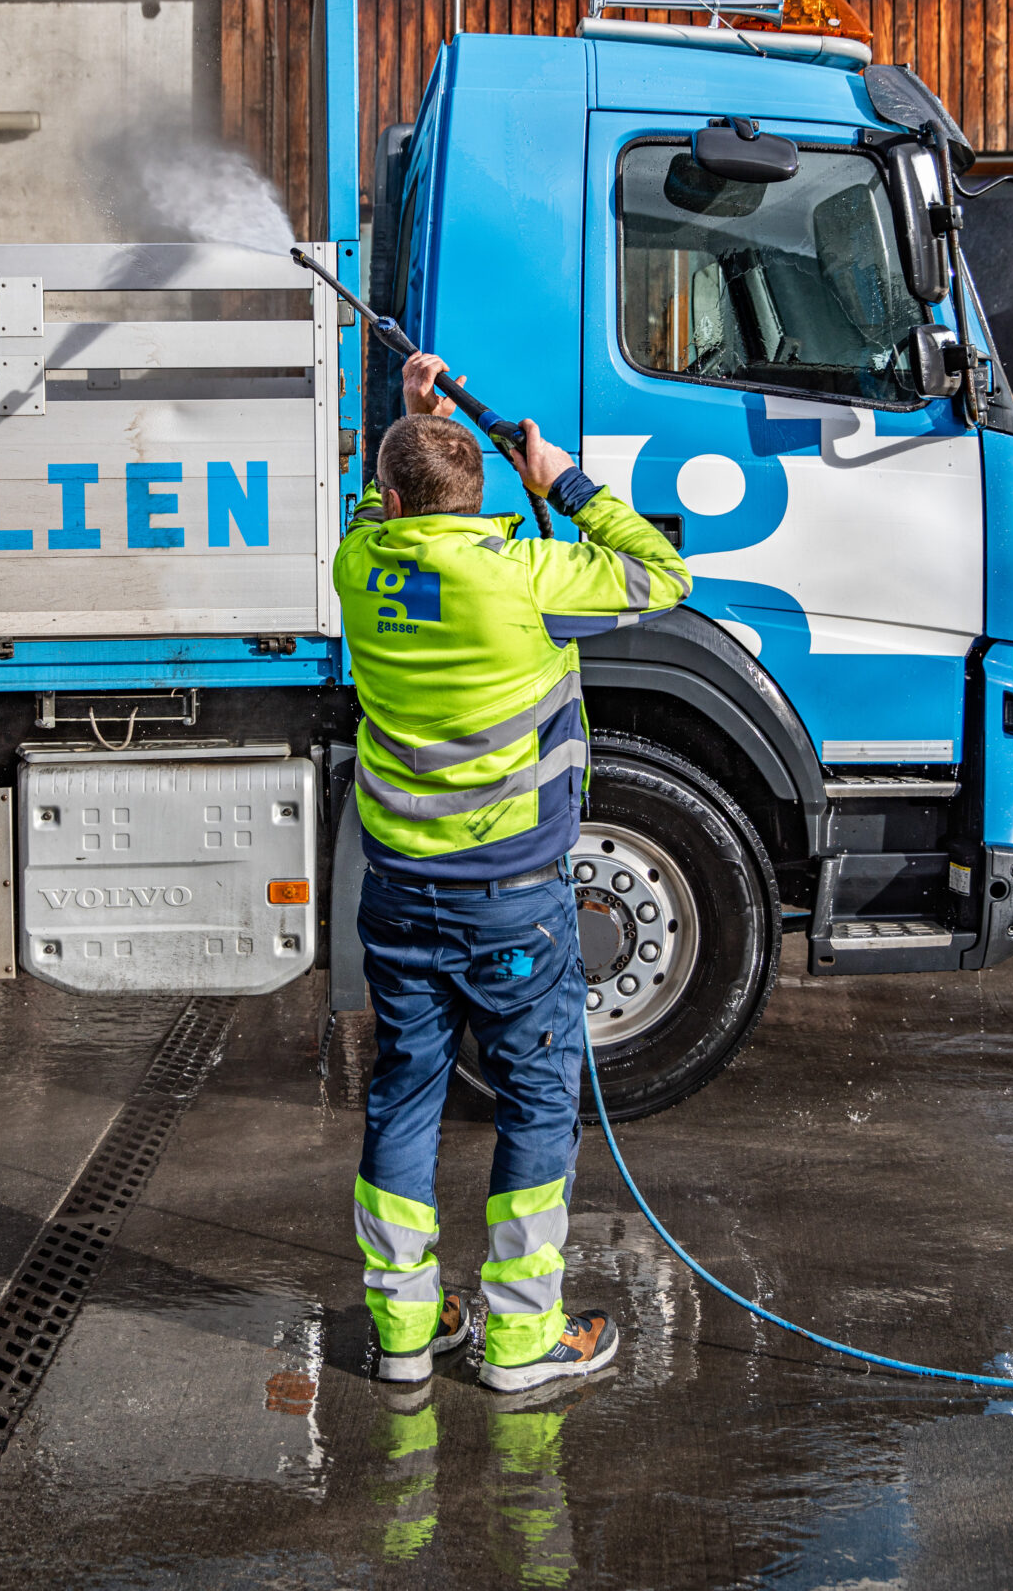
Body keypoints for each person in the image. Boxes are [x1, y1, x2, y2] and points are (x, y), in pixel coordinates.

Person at [333, 352, 691, 1393]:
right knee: (536, 1100)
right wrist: (561, 481)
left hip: (399, 890)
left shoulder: (363, 566)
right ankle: (524, 1340)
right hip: (512, 898)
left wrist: (406, 419)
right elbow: (662, 574)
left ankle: (405, 1333)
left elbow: (377, 517)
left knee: (404, 1092)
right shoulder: (524, 576)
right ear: (479, 495)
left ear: (393, 501)